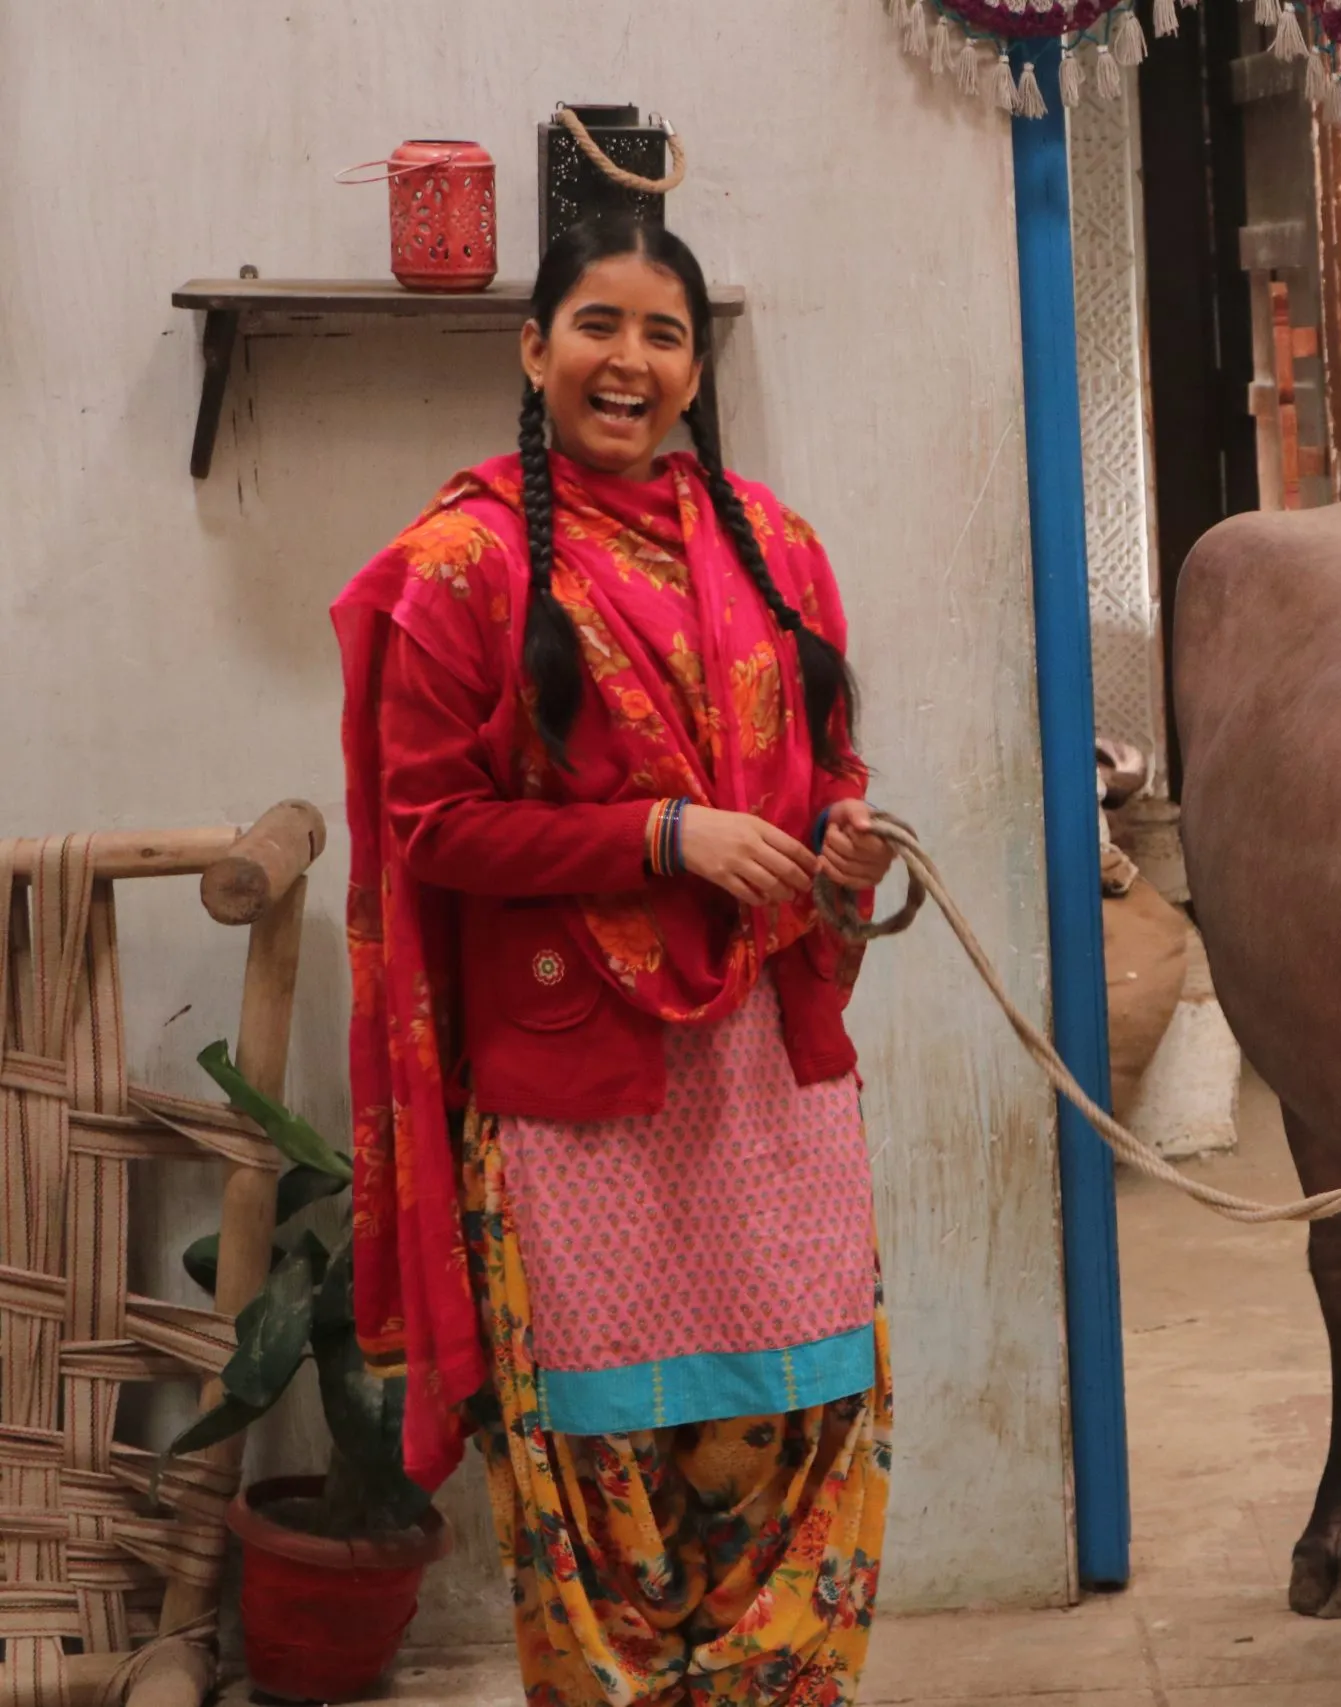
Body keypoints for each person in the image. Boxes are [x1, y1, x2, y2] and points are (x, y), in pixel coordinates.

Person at [332, 215, 896, 1707]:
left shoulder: (778, 551)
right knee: (596, 1474)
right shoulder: (456, 568)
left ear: (697, 366)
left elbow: (829, 766)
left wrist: (840, 845)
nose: (628, 361)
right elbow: (431, 825)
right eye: (597, 325)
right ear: (535, 348)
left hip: (771, 1078)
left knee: (807, 1433)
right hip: (577, 1093)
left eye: (661, 333)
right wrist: (661, 836)